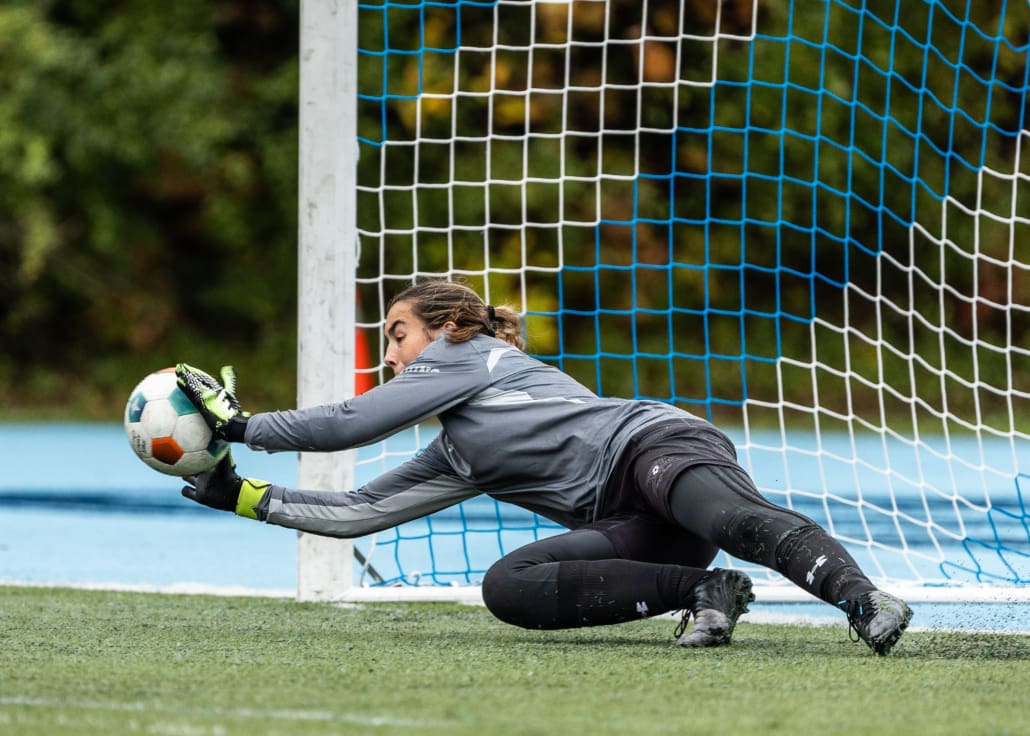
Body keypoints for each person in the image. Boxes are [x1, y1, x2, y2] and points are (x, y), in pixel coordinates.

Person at [176, 279, 913, 654]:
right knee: (509, 587)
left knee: (731, 518)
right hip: (632, 522)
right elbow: (358, 512)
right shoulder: (458, 452)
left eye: (398, 334)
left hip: (655, 447)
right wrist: (239, 493)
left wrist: (242, 424)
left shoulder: (471, 354)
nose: (390, 352)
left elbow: (350, 422)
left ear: (447, 327)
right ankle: (709, 589)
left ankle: (864, 600)